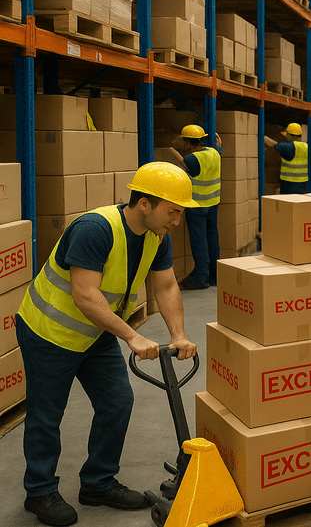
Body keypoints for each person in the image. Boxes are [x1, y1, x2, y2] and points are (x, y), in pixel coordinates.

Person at [16, 162, 200, 526]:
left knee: (117, 402)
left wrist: (177, 334)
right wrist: (132, 335)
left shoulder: (156, 235)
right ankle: (39, 492)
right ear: (144, 203)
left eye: (180, 213)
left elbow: (164, 286)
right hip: (49, 332)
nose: (177, 221)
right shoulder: (94, 229)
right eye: (173, 212)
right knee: (47, 414)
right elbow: (85, 296)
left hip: (95, 332)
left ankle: (98, 483)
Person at [168, 124, 221, 290]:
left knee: (199, 242)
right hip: (213, 203)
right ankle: (214, 276)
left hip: (197, 206)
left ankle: (200, 278)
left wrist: (169, 149)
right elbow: (218, 147)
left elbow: (181, 161)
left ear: (187, 143)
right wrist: (219, 144)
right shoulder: (215, 153)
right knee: (212, 239)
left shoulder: (192, 159)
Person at [263, 122, 308, 194]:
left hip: (290, 184)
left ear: (289, 135)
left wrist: (262, 136)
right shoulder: (305, 146)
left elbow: (273, 144)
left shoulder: (289, 146)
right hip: (302, 183)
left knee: (288, 204)